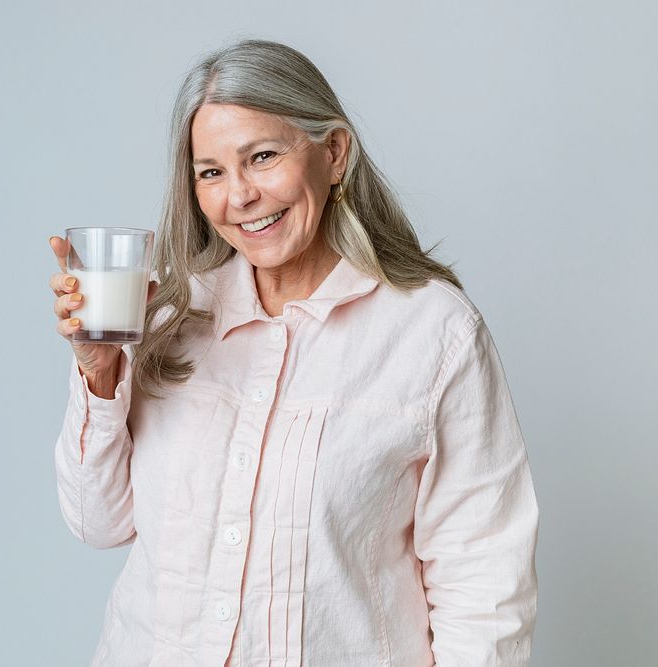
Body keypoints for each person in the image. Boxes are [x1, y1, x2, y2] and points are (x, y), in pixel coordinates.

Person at [48, 38, 539, 667]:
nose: (240, 196)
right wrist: (99, 371)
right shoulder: (168, 313)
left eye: (263, 156)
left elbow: (485, 583)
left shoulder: (432, 332)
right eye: (211, 172)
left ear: (333, 154)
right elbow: (98, 523)